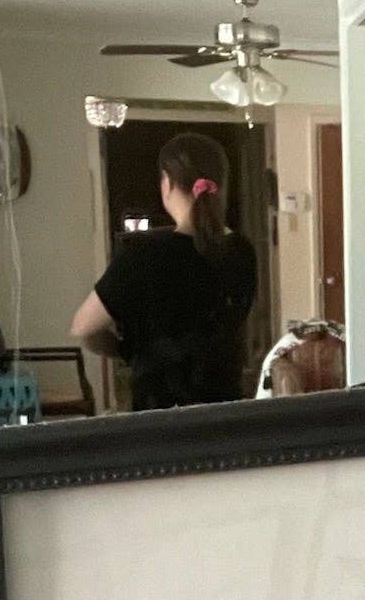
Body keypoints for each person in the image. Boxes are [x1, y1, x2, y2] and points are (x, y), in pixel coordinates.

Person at [68, 132, 257, 409]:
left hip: (160, 412)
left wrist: (131, 350)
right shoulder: (242, 252)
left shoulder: (143, 253)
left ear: (167, 183)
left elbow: (83, 327)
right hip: (226, 405)